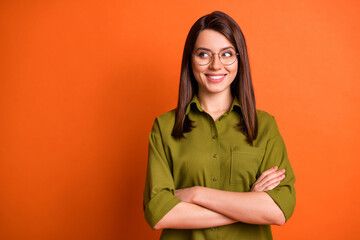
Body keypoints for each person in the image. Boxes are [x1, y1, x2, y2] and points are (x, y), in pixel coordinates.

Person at [143, 11, 296, 240]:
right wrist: (248, 204)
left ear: (239, 58)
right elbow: (159, 213)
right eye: (204, 54)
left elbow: (279, 210)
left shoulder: (264, 126)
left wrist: (196, 193)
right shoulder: (165, 127)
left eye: (226, 54)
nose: (216, 65)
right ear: (190, 60)